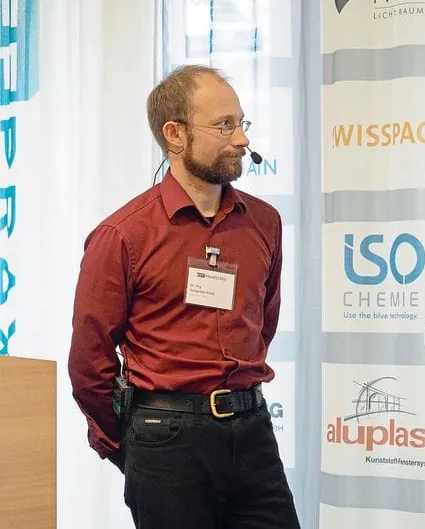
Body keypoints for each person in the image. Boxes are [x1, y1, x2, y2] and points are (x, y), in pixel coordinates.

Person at [68, 65, 300, 529]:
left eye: (241, 123)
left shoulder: (264, 222)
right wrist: (133, 444)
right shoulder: (123, 234)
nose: (242, 139)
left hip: (253, 431)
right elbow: (89, 362)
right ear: (174, 134)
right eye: (224, 125)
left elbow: (262, 324)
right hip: (166, 439)